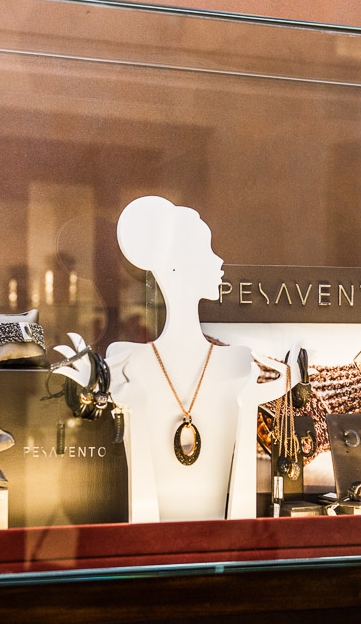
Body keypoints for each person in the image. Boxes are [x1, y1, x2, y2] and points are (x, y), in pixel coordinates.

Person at [105, 196, 293, 522]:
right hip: (151, 545)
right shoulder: (126, 362)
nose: (220, 261)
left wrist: (274, 390)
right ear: (176, 267)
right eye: (207, 251)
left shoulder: (238, 361)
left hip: (224, 543)